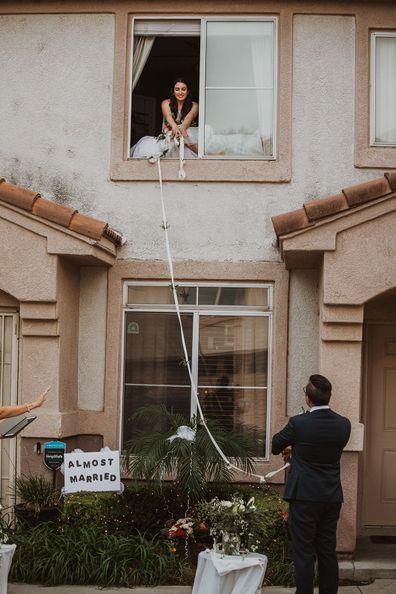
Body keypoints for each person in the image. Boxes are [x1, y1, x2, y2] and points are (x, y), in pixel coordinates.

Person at [272, 374, 351, 594]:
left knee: (304, 551)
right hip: (331, 496)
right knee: (327, 550)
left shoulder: (299, 423)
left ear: (308, 399)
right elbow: (325, 449)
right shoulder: (344, 425)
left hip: (304, 496)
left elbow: (275, 445)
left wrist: (294, 447)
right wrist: (299, 448)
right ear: (329, 397)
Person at [130, 77, 199, 159]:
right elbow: (168, 116)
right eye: (177, 89)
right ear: (173, 92)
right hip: (168, 140)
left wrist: (183, 128)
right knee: (149, 147)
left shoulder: (194, 105)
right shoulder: (166, 103)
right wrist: (174, 127)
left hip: (186, 140)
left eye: (183, 89)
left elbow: (189, 116)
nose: (180, 92)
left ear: (188, 91)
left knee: (189, 137)